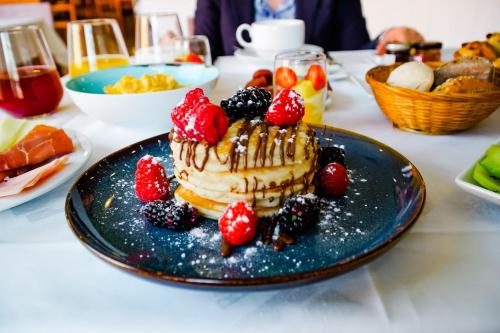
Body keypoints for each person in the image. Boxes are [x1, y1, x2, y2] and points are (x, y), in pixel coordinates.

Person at [194, 0, 423, 60]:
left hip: (314, 99)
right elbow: (203, 53)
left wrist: (386, 38)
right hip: (238, 101)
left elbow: (354, 52)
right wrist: (180, 48)